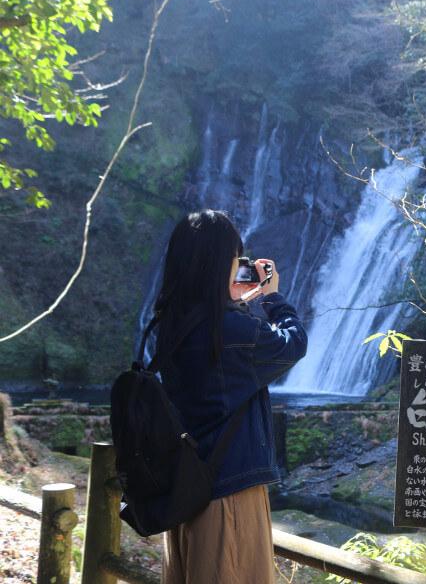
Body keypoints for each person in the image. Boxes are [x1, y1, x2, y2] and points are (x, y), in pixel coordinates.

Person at [152, 210, 306, 584]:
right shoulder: (233, 330)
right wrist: (272, 299)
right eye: (236, 260)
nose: (240, 267)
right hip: (230, 495)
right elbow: (293, 344)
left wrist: (232, 302)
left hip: (187, 491)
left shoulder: (172, 324)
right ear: (219, 263)